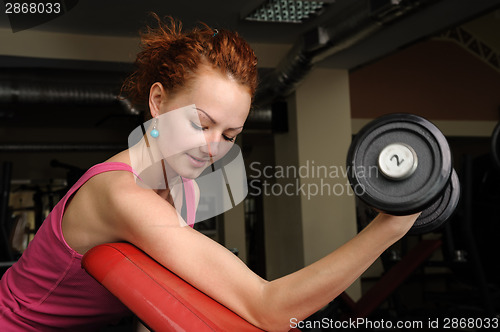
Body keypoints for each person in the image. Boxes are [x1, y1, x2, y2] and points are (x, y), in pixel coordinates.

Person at [0, 14, 419, 331]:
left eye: (230, 135)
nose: (212, 147)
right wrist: (389, 228)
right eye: (201, 124)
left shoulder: (186, 188)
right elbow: (269, 306)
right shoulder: (118, 194)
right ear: (159, 102)